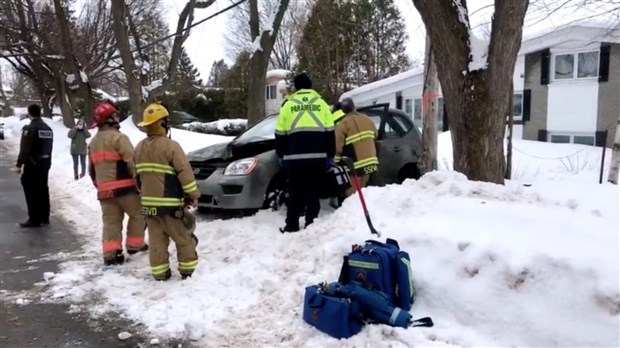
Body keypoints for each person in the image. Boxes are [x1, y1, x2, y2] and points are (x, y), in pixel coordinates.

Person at [133, 103, 201, 281]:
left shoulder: (138, 148)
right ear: (162, 123)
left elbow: (136, 176)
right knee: (183, 237)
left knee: (156, 241)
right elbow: (184, 173)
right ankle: (187, 271)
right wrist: (193, 195)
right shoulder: (171, 146)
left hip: (148, 206)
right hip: (170, 205)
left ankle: (160, 273)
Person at [88, 101, 148, 266]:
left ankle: (111, 254)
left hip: (104, 192)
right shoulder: (119, 138)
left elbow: (92, 170)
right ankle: (134, 245)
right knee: (138, 215)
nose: (117, 118)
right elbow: (132, 162)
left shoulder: (93, 143)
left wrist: (100, 187)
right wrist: (140, 183)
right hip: (125, 189)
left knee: (110, 223)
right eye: (115, 115)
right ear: (110, 119)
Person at [275, 73, 335, 232]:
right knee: (313, 193)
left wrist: (281, 154)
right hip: (317, 158)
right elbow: (330, 132)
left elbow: (280, 133)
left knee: (295, 193)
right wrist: (330, 155)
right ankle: (311, 225)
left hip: (294, 159)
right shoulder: (321, 104)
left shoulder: (288, 105)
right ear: (310, 86)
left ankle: (292, 225)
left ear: (296, 87)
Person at [15, 104, 53, 228]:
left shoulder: (30, 129)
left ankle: (34, 218)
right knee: (43, 189)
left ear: (29, 113)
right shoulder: (47, 129)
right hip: (45, 162)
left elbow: (25, 148)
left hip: (33, 163)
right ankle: (44, 216)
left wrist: (19, 164)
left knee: (30, 189)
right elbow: (50, 148)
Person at [334, 98, 379, 200]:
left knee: (353, 196)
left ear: (343, 110)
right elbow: (376, 134)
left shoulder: (343, 124)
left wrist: (336, 161)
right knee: (364, 192)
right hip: (371, 161)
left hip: (355, 164)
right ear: (354, 106)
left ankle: (355, 212)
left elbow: (338, 146)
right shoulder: (367, 119)